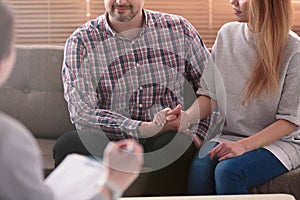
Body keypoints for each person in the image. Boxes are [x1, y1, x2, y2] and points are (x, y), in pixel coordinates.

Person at [54, 0, 211, 195]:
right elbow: (81, 112)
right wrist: (145, 128)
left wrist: (196, 133)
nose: (120, 1)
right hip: (111, 138)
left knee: (177, 144)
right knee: (67, 144)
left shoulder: (179, 29)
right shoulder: (81, 41)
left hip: (166, 135)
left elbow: (211, 90)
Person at [0, 1, 143, 199]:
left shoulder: (176, 28)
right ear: (8, 55)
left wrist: (186, 123)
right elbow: (81, 111)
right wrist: (112, 185)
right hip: (108, 133)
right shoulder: (9, 141)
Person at [154, 0, 300, 195]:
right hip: (230, 136)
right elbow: (211, 95)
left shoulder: (294, 49)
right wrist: (185, 118)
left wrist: (243, 146)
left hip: (279, 143)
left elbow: (289, 121)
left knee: (229, 171)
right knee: (200, 167)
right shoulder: (227, 34)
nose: (233, 1)